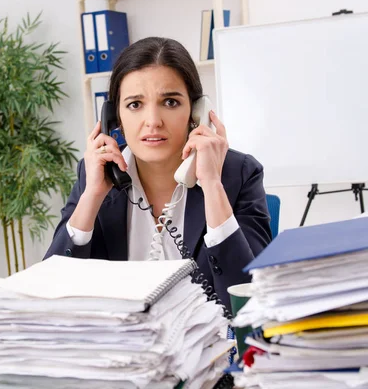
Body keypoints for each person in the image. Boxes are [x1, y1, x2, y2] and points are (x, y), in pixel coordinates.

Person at [44, 37, 272, 313]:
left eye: (171, 102)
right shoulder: (95, 175)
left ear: (196, 112)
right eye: (135, 105)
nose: (152, 121)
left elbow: (253, 304)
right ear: (114, 118)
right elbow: (51, 294)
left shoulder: (238, 173)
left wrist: (212, 185)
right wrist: (91, 196)